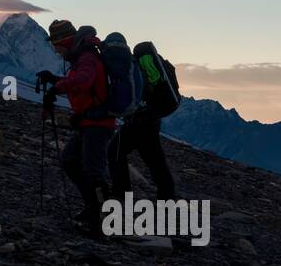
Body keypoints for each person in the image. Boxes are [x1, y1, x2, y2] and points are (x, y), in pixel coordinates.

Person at [36, 20, 115, 238]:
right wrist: (54, 80)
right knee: (70, 161)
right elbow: (78, 82)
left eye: (56, 45)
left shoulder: (86, 57)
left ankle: (102, 223)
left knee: (93, 172)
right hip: (88, 122)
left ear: (65, 41)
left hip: (98, 124)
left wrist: (56, 88)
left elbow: (83, 81)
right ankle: (94, 208)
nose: (55, 50)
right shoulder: (80, 57)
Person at [108, 41, 178, 201]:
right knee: (155, 160)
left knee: (115, 151)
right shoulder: (151, 67)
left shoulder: (133, 67)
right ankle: (167, 197)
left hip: (138, 121)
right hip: (152, 119)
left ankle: (121, 193)